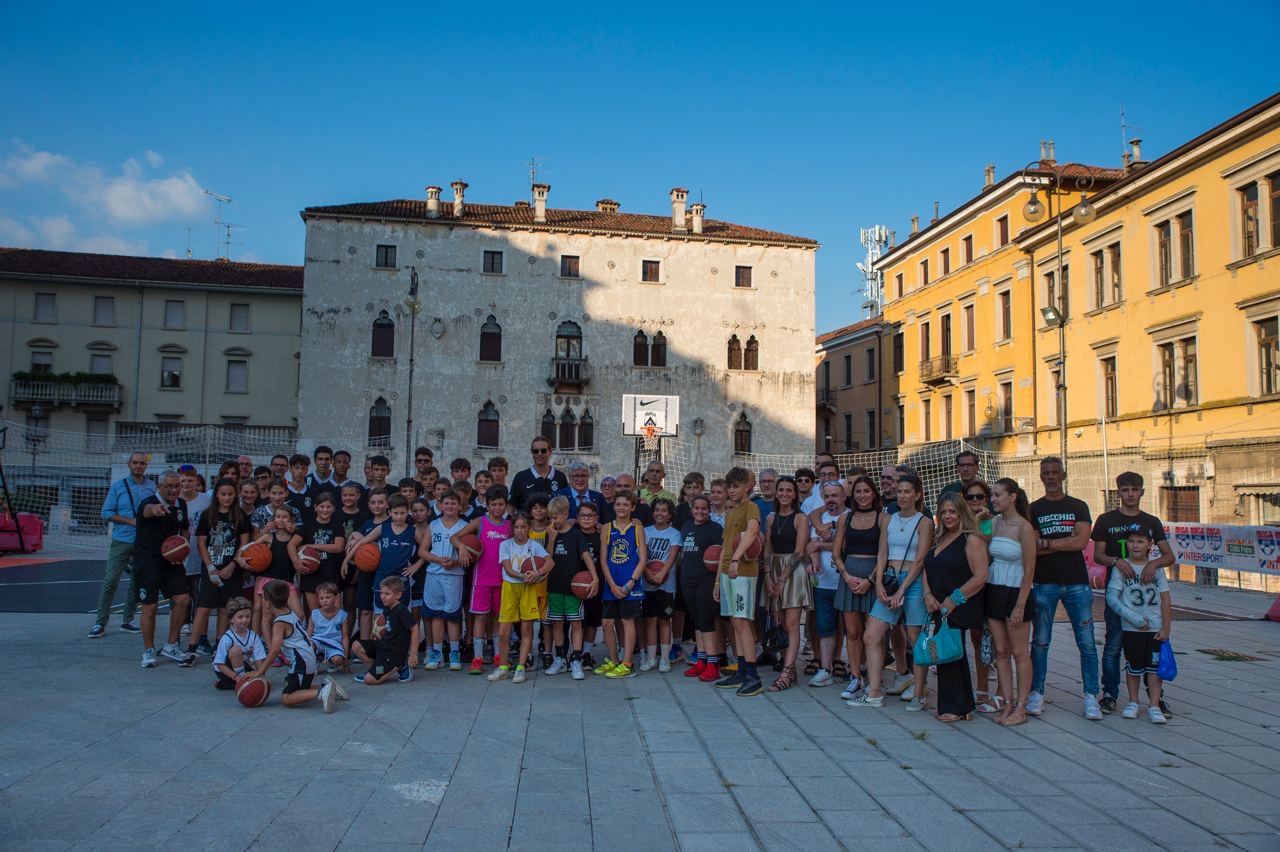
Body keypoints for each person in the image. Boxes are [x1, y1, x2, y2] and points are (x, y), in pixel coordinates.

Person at [1090, 470, 1176, 716]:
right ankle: (1110, 694)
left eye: (1134, 489)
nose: (1130, 494)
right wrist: (1116, 561)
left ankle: (1155, 699)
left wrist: (1153, 564)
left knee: (1152, 649)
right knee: (1114, 644)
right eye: (1125, 490)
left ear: (1142, 492)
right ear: (1118, 493)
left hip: (1146, 599)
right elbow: (1098, 555)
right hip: (1120, 594)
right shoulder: (1106, 520)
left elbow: (1169, 555)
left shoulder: (1152, 521)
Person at [1026, 456, 1104, 721]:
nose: (1050, 477)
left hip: (1076, 582)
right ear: (1040, 476)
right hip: (1044, 582)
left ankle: (1091, 695)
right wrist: (1060, 541)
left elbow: (1081, 542)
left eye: (1054, 472)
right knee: (1040, 641)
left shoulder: (1078, 506)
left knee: (1087, 642)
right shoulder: (1034, 508)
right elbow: (1034, 544)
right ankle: (1036, 691)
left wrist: (1049, 544)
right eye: (1045, 473)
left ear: (1063, 475)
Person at [848, 474, 933, 708]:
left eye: (907, 492)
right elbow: (882, 553)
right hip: (889, 579)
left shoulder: (924, 522)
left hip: (912, 583)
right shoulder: (888, 519)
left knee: (915, 638)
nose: (902, 496)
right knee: (871, 634)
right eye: (900, 491)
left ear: (916, 494)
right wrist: (878, 583)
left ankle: (919, 691)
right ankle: (874, 692)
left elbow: (921, 560)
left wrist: (902, 590)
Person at [921, 493, 989, 721]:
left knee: (950, 655)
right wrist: (928, 594)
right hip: (939, 604)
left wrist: (954, 599)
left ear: (962, 513)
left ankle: (955, 707)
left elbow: (980, 576)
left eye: (953, 511)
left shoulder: (972, 539)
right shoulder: (939, 539)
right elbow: (927, 567)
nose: (948, 516)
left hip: (961, 603)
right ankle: (962, 705)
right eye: (944, 511)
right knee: (949, 654)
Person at [985, 478, 1038, 726]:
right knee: (1001, 651)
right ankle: (1006, 703)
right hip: (995, 587)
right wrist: (979, 518)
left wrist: (1020, 604)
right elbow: (975, 536)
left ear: (1012, 497)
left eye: (997, 495)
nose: (993, 499)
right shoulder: (995, 523)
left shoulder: (1024, 527)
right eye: (992, 495)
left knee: (1019, 652)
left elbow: (1030, 570)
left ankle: (1022, 706)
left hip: (1017, 590)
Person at [1105, 528, 1172, 724]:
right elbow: (1111, 597)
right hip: (1132, 627)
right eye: (1131, 541)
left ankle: (1154, 704)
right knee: (1133, 666)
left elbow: (1166, 599)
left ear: (1150, 544)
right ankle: (1133, 702)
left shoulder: (1157, 569)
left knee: (1154, 668)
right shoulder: (1121, 569)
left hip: (1155, 627)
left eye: (1140, 541)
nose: (1135, 545)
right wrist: (1133, 618)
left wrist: (1166, 627)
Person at [134, 470, 196, 669]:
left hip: (171, 562)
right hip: (148, 563)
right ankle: (149, 650)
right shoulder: (148, 502)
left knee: (183, 600)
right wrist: (157, 509)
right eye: (169, 486)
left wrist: (184, 544)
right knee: (150, 608)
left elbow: (185, 527)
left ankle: (171, 645)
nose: (174, 489)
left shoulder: (181, 505)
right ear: (159, 487)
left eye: (176, 485)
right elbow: (148, 510)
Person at [90, 451, 155, 637]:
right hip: (122, 540)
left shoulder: (151, 487)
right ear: (129, 464)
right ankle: (100, 622)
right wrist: (130, 521)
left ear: (146, 466)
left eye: (142, 463)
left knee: (136, 581)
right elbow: (106, 513)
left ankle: (128, 620)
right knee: (111, 580)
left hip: (143, 542)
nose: (138, 466)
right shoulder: (118, 486)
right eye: (135, 462)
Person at [712, 467, 763, 696]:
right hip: (726, 573)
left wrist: (735, 559)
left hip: (743, 572)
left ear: (747, 487)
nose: (732, 491)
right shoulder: (731, 511)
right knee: (735, 621)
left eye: (736, 486)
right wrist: (716, 581)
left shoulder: (751, 507)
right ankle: (742, 670)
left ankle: (753, 676)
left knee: (742, 622)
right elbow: (725, 546)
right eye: (729, 487)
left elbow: (752, 533)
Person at [831, 475, 881, 699]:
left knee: (873, 634)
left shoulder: (883, 518)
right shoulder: (845, 518)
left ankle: (873, 679)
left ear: (874, 493)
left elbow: (884, 554)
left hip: (872, 578)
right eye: (858, 491)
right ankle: (855, 678)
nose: (862, 495)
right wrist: (846, 576)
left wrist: (870, 580)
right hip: (849, 577)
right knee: (852, 632)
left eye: (866, 491)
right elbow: (836, 552)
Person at [191, 477, 253, 655]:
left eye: (230, 494)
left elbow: (244, 544)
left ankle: (220, 646)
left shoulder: (240, 516)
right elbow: (201, 543)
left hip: (231, 570)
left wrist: (233, 565)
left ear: (236, 495)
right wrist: (210, 567)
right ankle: (192, 648)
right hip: (211, 569)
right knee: (203, 608)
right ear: (216, 495)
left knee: (225, 609)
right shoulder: (207, 514)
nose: (227, 498)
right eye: (223, 494)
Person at [453, 487, 511, 674]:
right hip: (481, 579)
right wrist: (462, 547)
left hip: (503, 579)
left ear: (506, 505)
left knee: (497, 618)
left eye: (501, 504)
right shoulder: (480, 522)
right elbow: (454, 537)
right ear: (487, 505)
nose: (497, 508)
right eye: (493, 504)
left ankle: (497, 655)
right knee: (481, 617)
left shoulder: (509, 526)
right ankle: (477, 658)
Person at [488, 512, 550, 684]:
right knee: (503, 632)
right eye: (517, 527)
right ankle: (503, 667)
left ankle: (521, 668)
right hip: (510, 588)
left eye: (523, 527)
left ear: (528, 528)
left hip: (528, 589)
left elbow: (550, 562)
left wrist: (538, 573)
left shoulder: (534, 545)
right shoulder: (505, 545)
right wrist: (525, 575)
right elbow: (508, 569)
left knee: (526, 630)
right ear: (512, 529)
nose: (520, 530)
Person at [543, 496, 600, 679]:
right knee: (557, 624)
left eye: (556, 517)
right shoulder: (550, 533)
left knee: (576, 624)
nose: (553, 521)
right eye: (551, 518)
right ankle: (560, 659)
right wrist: (551, 539)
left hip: (574, 589)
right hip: (555, 587)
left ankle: (576, 660)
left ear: (566, 514)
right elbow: (548, 559)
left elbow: (586, 556)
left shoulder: (576, 535)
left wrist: (595, 578)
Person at [763, 476, 810, 692]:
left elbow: (800, 551)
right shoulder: (771, 518)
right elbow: (768, 547)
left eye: (788, 490)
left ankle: (788, 670)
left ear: (794, 494)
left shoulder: (801, 518)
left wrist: (782, 578)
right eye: (781, 489)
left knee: (791, 624)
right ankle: (787, 666)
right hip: (774, 568)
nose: (784, 494)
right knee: (779, 622)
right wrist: (767, 574)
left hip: (792, 572)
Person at [597, 490, 647, 679]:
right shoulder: (607, 528)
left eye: (626, 504)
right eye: (618, 504)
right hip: (612, 583)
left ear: (632, 507)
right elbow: (603, 560)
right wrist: (612, 585)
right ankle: (613, 660)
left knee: (627, 621)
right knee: (607, 623)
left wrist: (630, 584)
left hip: (630, 584)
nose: (621, 507)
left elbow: (642, 559)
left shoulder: (637, 528)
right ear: (614, 506)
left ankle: (627, 663)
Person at [803, 481, 846, 687]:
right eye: (827, 496)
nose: (831, 499)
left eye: (835, 495)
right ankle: (825, 669)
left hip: (847, 581)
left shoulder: (851, 516)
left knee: (852, 629)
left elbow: (846, 544)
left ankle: (855, 671)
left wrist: (821, 544)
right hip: (824, 582)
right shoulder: (819, 519)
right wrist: (815, 557)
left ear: (844, 496)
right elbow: (811, 546)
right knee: (825, 627)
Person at [679, 495, 725, 682]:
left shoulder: (715, 529)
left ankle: (713, 664)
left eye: (703, 508)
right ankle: (702, 660)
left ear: (709, 509)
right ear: (692, 509)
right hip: (687, 580)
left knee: (706, 621)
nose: (699, 511)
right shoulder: (686, 527)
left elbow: (720, 556)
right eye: (696, 508)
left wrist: (717, 583)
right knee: (697, 621)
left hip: (706, 580)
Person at [422, 489, 468, 672]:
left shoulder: (464, 526)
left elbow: (471, 555)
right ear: (440, 505)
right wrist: (439, 560)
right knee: (435, 614)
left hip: (454, 575)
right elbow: (422, 551)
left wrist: (456, 561)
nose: (449, 506)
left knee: (453, 615)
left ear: (460, 506)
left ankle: (454, 652)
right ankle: (437, 653)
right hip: (434, 573)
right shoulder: (433, 525)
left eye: (453, 503)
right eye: (446, 503)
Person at [640, 497, 682, 672]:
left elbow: (672, 557)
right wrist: (646, 572)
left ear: (670, 514)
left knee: (665, 621)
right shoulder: (645, 531)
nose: (660, 513)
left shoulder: (674, 533)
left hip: (666, 584)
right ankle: (651, 658)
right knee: (650, 621)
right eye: (657, 510)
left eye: (664, 510)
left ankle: (665, 658)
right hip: (648, 583)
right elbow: (641, 555)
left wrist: (662, 572)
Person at [290, 492, 345, 617]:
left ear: (333, 508)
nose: (325, 510)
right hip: (311, 575)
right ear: (315, 507)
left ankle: (334, 637)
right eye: (322, 506)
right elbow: (291, 544)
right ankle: (313, 637)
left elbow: (338, 547)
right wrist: (296, 561)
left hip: (331, 573)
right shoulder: (307, 526)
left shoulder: (337, 526)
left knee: (333, 615)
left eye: (328, 507)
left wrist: (313, 546)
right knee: (314, 615)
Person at [352, 576, 415, 685]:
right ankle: (375, 669)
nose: (383, 597)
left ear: (398, 595)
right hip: (383, 646)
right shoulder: (387, 607)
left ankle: (399, 666)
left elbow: (415, 628)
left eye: (387, 594)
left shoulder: (401, 610)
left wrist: (413, 654)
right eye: (381, 593)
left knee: (369, 680)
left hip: (393, 655)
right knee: (356, 645)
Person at [212, 597, 268, 690]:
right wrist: (236, 677)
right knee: (236, 650)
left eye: (247, 616)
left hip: (243, 666)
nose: (244, 620)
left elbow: (259, 660)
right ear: (231, 619)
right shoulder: (227, 638)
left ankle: (229, 685)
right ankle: (240, 682)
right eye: (240, 617)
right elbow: (220, 664)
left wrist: (261, 676)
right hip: (226, 671)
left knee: (263, 683)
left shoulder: (254, 636)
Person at [509, 437, 568, 509]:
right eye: (535, 451)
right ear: (531, 452)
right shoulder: (520, 477)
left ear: (550, 452)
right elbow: (511, 505)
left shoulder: (560, 477)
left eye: (543, 451)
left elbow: (566, 504)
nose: (539, 454)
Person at [309, 581, 350, 672]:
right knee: (309, 644)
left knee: (337, 660)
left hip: (334, 644)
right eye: (321, 598)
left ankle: (331, 661)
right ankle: (313, 661)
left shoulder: (342, 615)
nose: (324, 600)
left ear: (335, 597)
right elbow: (308, 634)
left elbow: (345, 637)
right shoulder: (314, 613)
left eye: (328, 597)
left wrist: (346, 659)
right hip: (318, 642)